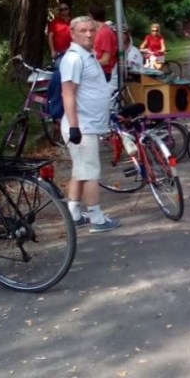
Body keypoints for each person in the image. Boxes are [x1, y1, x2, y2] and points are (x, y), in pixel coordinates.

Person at [60, 16, 120, 234]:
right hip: (82, 127)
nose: (88, 34)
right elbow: (68, 93)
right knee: (91, 173)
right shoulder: (74, 58)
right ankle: (96, 218)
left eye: (92, 30)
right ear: (72, 33)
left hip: (87, 125)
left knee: (81, 171)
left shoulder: (88, 55)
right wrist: (74, 127)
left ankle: (74, 215)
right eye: (83, 30)